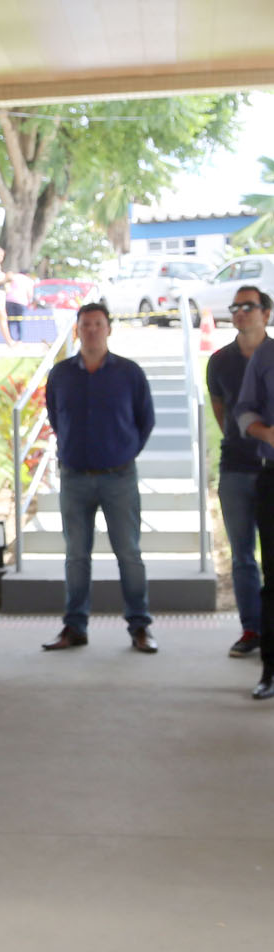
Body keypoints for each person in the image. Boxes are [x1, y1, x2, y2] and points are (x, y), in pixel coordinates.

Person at [42, 302, 157, 653]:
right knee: (76, 556)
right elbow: (55, 417)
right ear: (77, 329)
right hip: (75, 477)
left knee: (129, 553)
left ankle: (140, 626)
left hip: (119, 477)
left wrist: (123, 451)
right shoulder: (60, 374)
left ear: (108, 329)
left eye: (98, 323)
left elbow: (145, 420)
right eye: (85, 324)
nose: (92, 329)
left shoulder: (129, 373)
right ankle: (75, 627)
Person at [208, 286, 271, 659]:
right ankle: (252, 629)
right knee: (243, 555)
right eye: (236, 307)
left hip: (272, 466)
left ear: (266, 312)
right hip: (235, 469)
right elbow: (222, 411)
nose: (241, 312)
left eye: (250, 306)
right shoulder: (219, 361)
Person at [228, 315, 274, 697]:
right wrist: (266, 432)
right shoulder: (266, 356)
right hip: (271, 473)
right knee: (271, 578)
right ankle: (270, 673)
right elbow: (243, 410)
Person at [4, 267, 34, 342]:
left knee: (9, 320)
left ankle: (10, 338)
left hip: (9, 300)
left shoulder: (14, 277)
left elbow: (7, 287)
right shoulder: (28, 280)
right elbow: (30, 294)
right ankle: (20, 339)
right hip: (21, 301)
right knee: (20, 320)